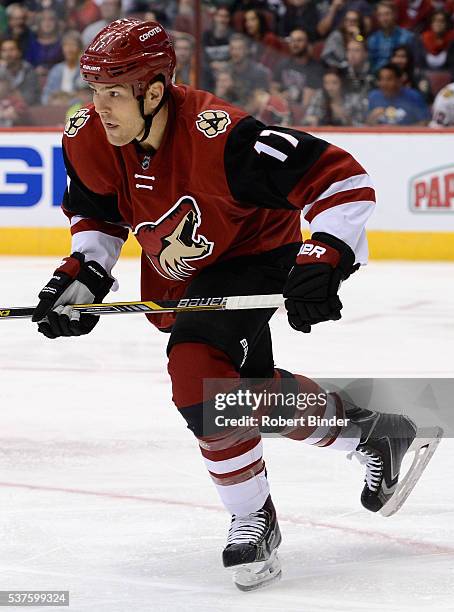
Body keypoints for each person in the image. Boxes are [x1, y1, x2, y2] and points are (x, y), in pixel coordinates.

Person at [32, 18, 439, 591]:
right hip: (186, 273)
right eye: (95, 91)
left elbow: (343, 181)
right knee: (241, 394)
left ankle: (253, 518)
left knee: (197, 380)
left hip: (255, 257)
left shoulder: (223, 138)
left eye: (115, 93)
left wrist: (323, 258)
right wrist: (82, 274)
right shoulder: (89, 135)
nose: (100, 107)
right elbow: (99, 216)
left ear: (155, 90)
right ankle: (369, 432)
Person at [273, 28, 324, 108]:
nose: (295, 44)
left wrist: (289, 100)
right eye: (292, 40)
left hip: (298, 112)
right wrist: (280, 97)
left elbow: (306, 104)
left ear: (307, 44)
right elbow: (273, 88)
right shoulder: (283, 63)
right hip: (280, 107)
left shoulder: (316, 69)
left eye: (299, 40)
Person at [367, 1, 414, 73]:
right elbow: (370, 65)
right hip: (378, 78)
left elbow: (412, 63)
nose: (384, 18)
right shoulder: (372, 40)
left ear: (395, 15)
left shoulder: (407, 37)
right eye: (380, 15)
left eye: (387, 14)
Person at [41, 30, 86, 104]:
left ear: (80, 49)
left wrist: (67, 102)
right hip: (55, 108)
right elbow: (46, 95)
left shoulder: (84, 70)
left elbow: (85, 96)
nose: (69, 49)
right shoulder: (56, 70)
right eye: (66, 45)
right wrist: (51, 101)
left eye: (73, 45)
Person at [0, 38, 41, 105]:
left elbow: (29, 99)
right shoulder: (1, 71)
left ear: (19, 52)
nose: (8, 54)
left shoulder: (29, 71)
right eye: (4, 50)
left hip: (30, 112)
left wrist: (8, 91)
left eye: (11, 49)